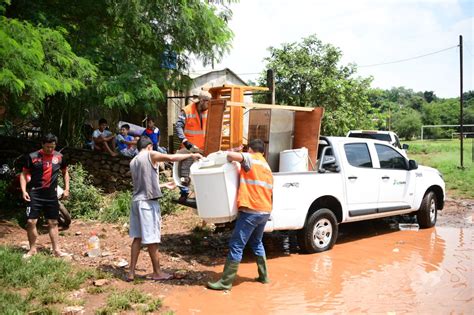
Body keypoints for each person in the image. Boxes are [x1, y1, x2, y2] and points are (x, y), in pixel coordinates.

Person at [126, 136, 202, 281]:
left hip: (136, 201)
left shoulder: (133, 161)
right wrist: (192, 155)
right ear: (149, 146)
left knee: (137, 238)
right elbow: (171, 158)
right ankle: (157, 272)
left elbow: (143, 183)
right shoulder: (150, 154)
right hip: (148, 204)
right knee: (152, 239)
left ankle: (131, 272)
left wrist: (163, 185)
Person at [207, 139, 273, 291]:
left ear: (250, 150)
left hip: (251, 210)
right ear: (263, 152)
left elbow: (230, 156)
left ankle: (225, 283)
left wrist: (236, 150)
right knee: (257, 242)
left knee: (236, 245)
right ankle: (264, 277)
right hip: (265, 210)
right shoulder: (266, 166)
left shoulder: (251, 158)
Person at [20, 133, 70, 258]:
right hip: (35, 194)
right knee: (31, 222)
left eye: (52, 147)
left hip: (51, 194)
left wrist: (67, 189)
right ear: (42, 144)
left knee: (53, 222)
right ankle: (32, 250)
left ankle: (57, 250)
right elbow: (23, 173)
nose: (50, 149)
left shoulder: (59, 157)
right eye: (47, 146)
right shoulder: (32, 157)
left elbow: (65, 172)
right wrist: (24, 190)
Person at [175, 90, 211, 202]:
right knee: (185, 171)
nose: (209, 105)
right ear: (201, 100)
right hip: (189, 148)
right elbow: (178, 126)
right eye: (207, 102)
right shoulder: (187, 110)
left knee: (203, 172)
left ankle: (201, 194)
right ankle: (184, 193)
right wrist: (185, 141)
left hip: (204, 148)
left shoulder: (210, 111)